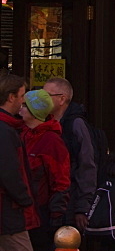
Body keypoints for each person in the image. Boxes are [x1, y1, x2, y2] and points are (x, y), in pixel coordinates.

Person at [42, 78, 97, 232]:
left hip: (69, 202)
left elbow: (87, 166)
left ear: (62, 99)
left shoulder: (76, 124)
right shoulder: (45, 122)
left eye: (47, 95)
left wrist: (82, 207)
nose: (42, 99)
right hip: (49, 202)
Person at [19, 90, 69, 251]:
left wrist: (56, 217)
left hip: (41, 214)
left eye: (25, 105)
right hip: (23, 211)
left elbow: (60, 181)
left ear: (35, 112)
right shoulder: (23, 133)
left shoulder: (51, 141)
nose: (20, 107)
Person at [0, 74, 38, 251]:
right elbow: (9, 172)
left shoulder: (9, 128)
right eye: (22, 95)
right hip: (7, 213)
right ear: (11, 97)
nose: (24, 101)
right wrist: (25, 199)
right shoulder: (6, 130)